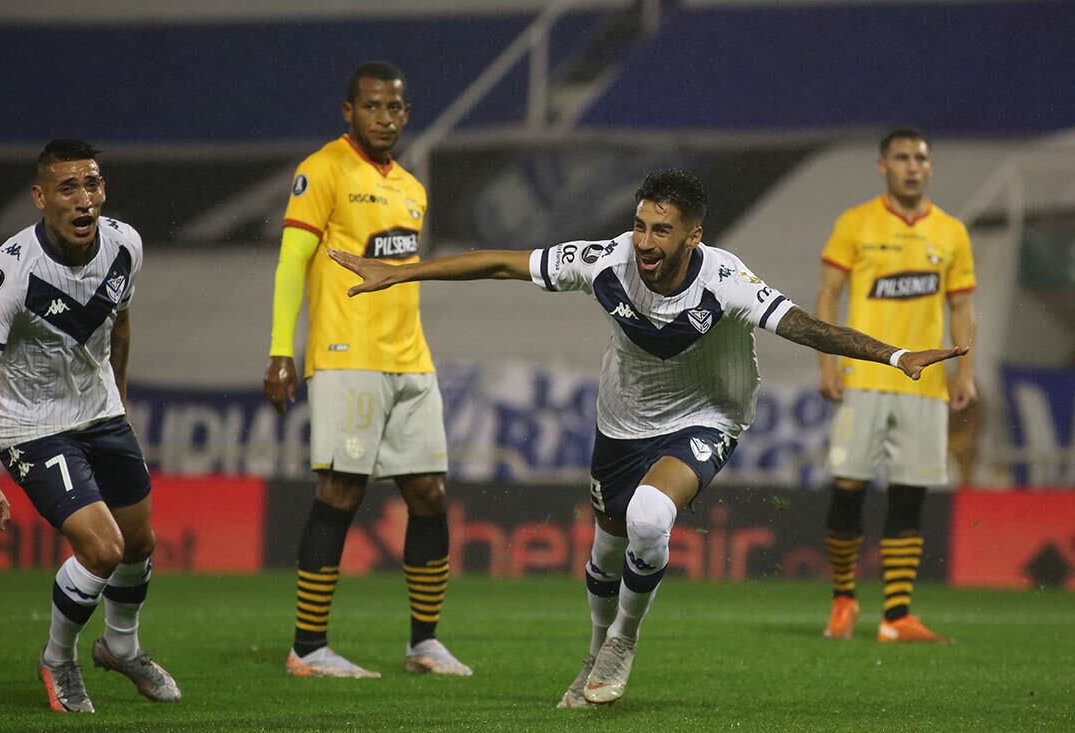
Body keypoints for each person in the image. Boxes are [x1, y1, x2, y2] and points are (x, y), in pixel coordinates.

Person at [328, 169, 967, 706]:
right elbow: (502, 263)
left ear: (694, 235)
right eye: (640, 224)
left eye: (660, 229)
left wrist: (894, 354)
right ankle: (594, 650)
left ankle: (624, 640)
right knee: (607, 552)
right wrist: (403, 272)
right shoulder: (606, 260)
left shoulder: (725, 280)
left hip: (709, 415)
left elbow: (800, 324)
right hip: (622, 422)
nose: (643, 240)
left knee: (650, 515)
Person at [263, 60, 470, 678]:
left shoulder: (412, 187)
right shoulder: (322, 170)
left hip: (412, 359)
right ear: (348, 111)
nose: (384, 118)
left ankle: (424, 643)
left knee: (429, 494)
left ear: (406, 114)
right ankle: (307, 648)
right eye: (372, 107)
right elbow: (291, 262)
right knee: (342, 491)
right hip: (347, 360)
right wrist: (281, 350)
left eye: (395, 108)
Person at [0, 139, 180, 713]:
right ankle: (58, 658)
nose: (84, 199)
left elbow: (121, 325)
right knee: (104, 548)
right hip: (31, 427)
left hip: (102, 414)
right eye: (69, 188)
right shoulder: (11, 271)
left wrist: (120, 404)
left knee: (141, 542)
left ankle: (120, 646)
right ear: (40, 198)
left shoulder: (125, 245)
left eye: (92, 185)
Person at [817, 127, 977, 644]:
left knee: (909, 496)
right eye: (902, 157)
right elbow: (828, 295)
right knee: (849, 488)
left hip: (926, 387)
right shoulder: (856, 223)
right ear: (882, 165)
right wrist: (827, 362)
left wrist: (964, 374)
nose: (913, 165)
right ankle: (843, 600)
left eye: (921, 158)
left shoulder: (952, 231)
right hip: (864, 379)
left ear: (931, 167)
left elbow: (961, 308)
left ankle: (897, 615)